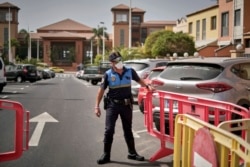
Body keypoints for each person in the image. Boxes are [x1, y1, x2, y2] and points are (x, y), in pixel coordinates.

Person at [94, 52, 154, 165]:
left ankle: (132, 153)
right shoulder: (108, 74)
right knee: (109, 130)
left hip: (126, 105)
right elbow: (101, 90)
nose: (119, 62)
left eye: (120, 59)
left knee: (128, 129)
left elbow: (140, 80)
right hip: (113, 105)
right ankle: (106, 154)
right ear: (112, 63)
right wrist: (97, 106)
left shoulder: (129, 71)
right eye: (117, 61)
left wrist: (147, 85)